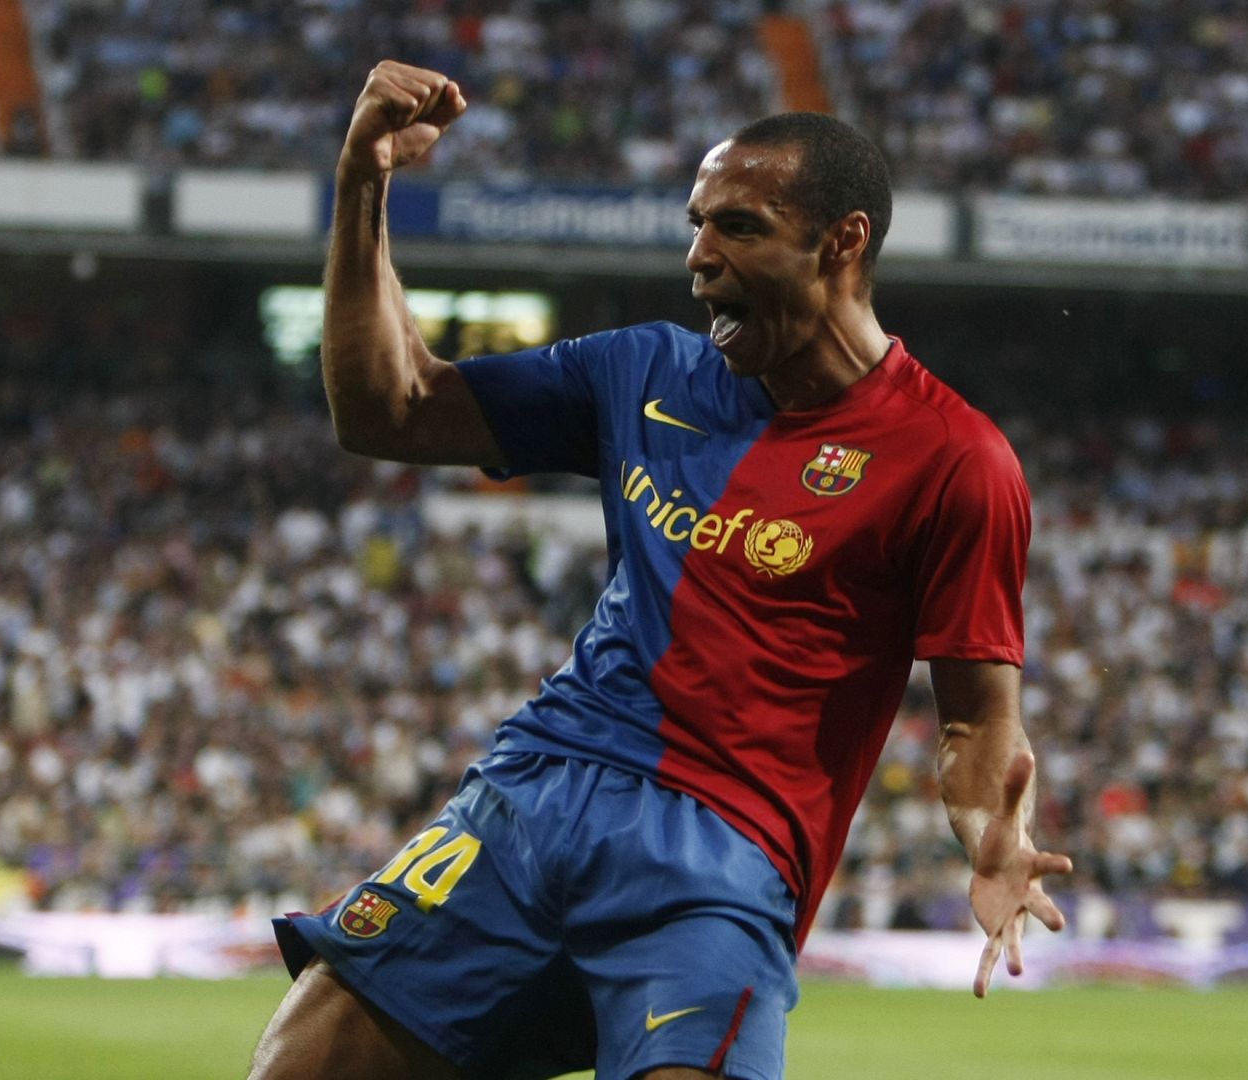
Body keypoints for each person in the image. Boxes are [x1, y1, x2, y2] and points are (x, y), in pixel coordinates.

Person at [250, 61, 1074, 1080]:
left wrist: (994, 835)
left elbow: (975, 719)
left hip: (716, 859)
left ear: (843, 242)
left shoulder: (954, 459)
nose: (698, 258)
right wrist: (362, 182)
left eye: (738, 227)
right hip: (528, 797)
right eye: (696, 223)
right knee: (301, 1062)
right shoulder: (643, 371)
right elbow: (392, 408)